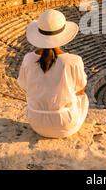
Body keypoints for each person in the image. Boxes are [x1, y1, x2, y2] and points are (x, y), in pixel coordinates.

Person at [17, 9, 88, 138]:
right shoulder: (74, 61)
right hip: (65, 124)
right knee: (82, 98)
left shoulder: (28, 58)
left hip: (36, 122)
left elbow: (24, 85)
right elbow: (80, 90)